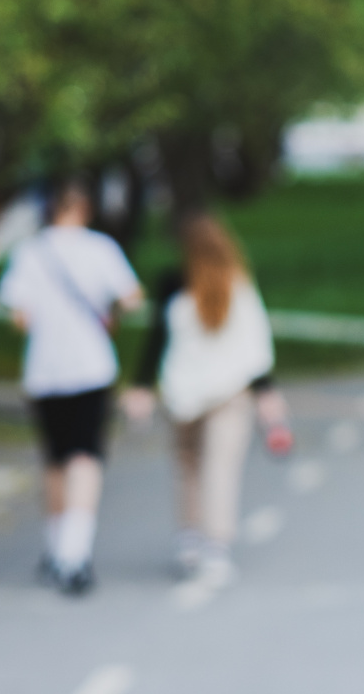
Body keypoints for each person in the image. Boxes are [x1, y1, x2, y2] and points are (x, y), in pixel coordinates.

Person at [123, 213, 292, 587]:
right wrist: (266, 394)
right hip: (229, 393)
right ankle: (216, 547)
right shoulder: (239, 286)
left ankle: (190, 539)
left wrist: (141, 385)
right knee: (221, 470)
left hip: (183, 392)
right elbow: (255, 348)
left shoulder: (173, 284)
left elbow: (157, 339)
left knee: (188, 467)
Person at [0, 180, 144, 596]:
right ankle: (75, 554)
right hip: (91, 367)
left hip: (44, 370)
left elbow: (19, 316)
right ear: (85, 210)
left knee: (55, 460)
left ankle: (56, 548)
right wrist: (106, 314)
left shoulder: (30, 253)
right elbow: (131, 298)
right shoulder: (100, 249)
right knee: (86, 457)